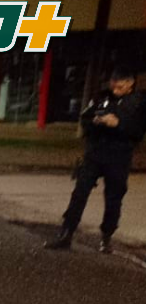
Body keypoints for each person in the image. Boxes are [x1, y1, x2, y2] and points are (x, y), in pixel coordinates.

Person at [46, 67, 145, 253]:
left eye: (120, 81)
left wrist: (119, 124)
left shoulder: (138, 103)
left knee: (113, 198)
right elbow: (85, 118)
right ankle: (66, 233)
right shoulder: (102, 97)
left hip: (119, 157)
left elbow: (138, 132)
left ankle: (106, 238)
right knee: (79, 193)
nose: (115, 84)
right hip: (95, 153)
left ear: (131, 83)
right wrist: (94, 122)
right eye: (113, 80)